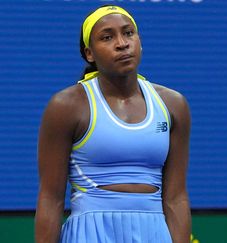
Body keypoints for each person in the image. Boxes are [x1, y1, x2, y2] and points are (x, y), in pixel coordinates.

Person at [35, 5, 191, 243]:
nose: (122, 43)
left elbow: (176, 197)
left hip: (154, 232)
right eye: (107, 37)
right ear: (90, 53)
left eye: (128, 33)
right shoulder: (66, 106)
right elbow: (50, 198)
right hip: (89, 233)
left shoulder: (173, 104)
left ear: (139, 41)